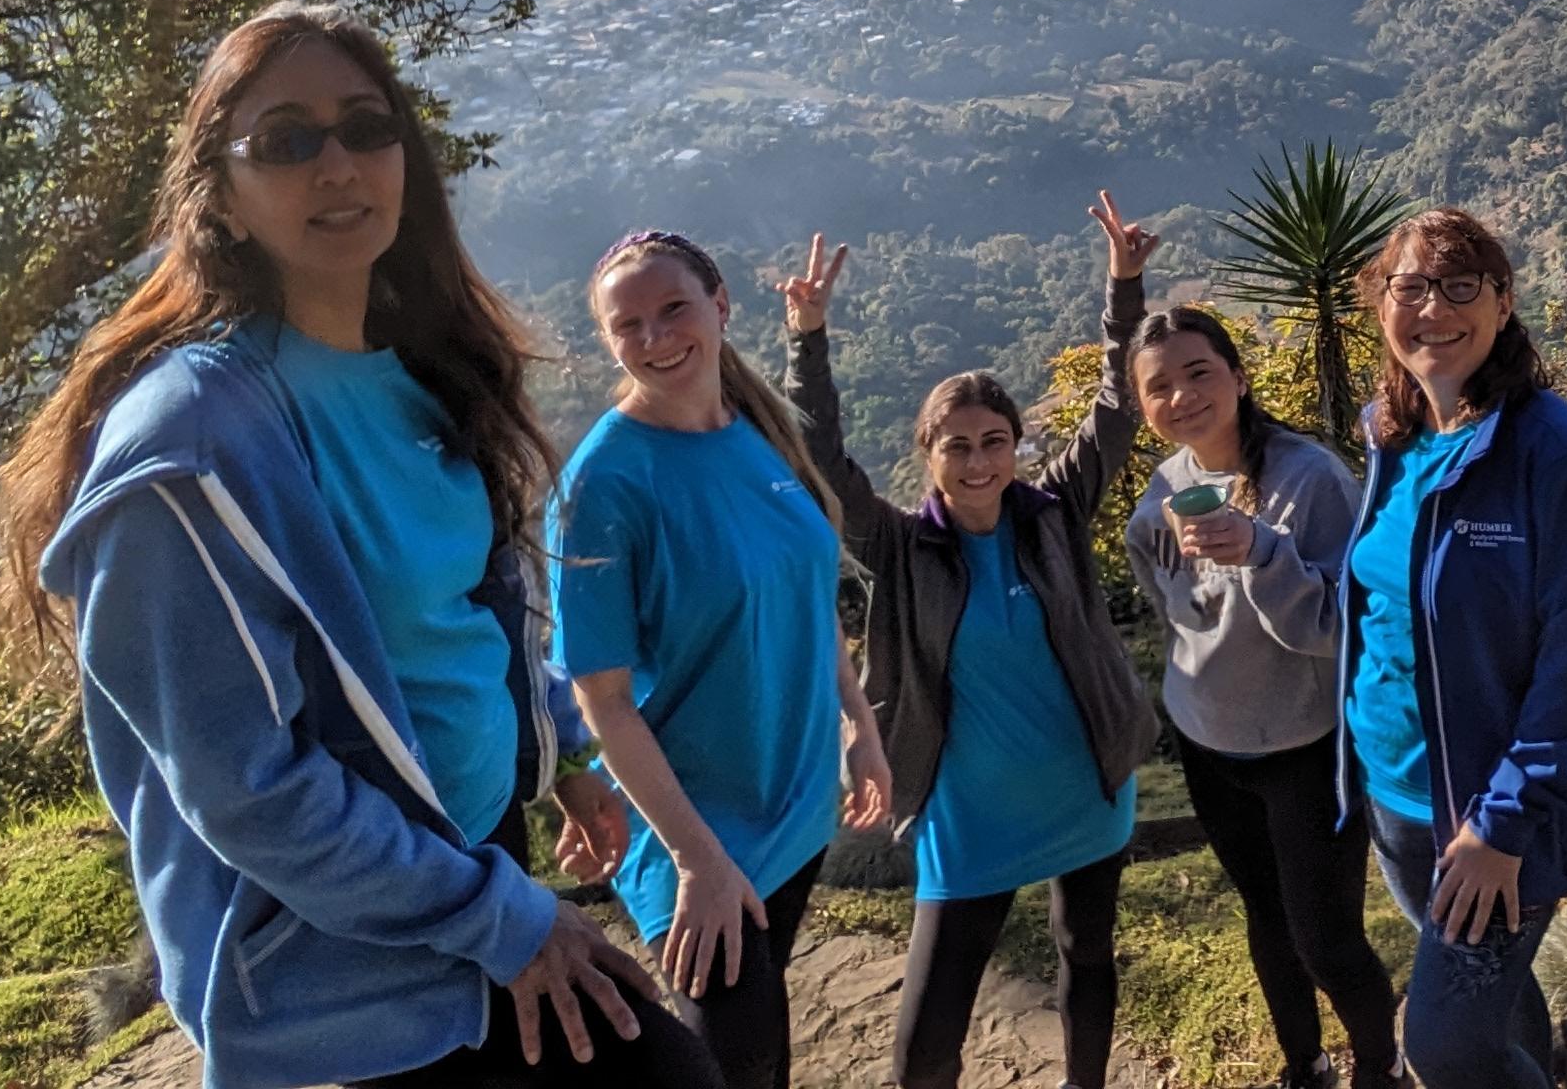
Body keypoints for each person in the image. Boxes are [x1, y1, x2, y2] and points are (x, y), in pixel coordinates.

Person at [0, 0, 719, 1089]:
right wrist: (500, 921)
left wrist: (558, 748)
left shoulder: (424, 369)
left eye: (365, 126)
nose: (337, 162)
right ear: (220, 198)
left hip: (468, 873)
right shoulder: (188, 450)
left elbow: (470, 611)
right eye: (286, 140)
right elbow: (245, 787)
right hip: (340, 963)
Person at [783, 196, 1159, 1089]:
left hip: (1086, 787)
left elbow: (1115, 406)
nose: (980, 461)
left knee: (1089, 957)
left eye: (995, 442)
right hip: (969, 817)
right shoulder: (899, 546)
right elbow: (821, 460)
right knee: (928, 1041)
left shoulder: (1056, 513)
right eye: (958, 447)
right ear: (929, 457)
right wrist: (808, 340)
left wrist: (1125, 287)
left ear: (1019, 447)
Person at [552, 229, 895, 1089]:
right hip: (696, 839)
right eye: (628, 325)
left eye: (674, 309)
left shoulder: (762, 433)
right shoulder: (604, 484)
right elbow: (602, 700)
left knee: (766, 1061)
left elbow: (807, 599)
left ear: (721, 307)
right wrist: (697, 860)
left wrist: (858, 725)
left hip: (795, 806)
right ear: (607, 341)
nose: (656, 338)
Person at [1338, 209, 1567, 1089]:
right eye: (1409, 287)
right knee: (1495, 1022)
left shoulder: (1552, 453)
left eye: (1459, 287)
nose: (1433, 310)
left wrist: (1503, 822)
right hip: (1399, 791)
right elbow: (1382, 597)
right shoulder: (1392, 433)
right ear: (1381, 304)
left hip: (1489, 812)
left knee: (1442, 1049)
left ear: (1503, 301)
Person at [1122, 306, 1404, 1089]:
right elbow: (1168, 595)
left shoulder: (1308, 478)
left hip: (1303, 747)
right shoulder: (1167, 486)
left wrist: (1260, 552)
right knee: (1266, 919)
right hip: (1210, 744)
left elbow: (1345, 625)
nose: (1181, 396)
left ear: (1239, 376)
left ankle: (1381, 1068)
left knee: (1327, 940)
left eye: (1198, 372)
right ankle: (1302, 1066)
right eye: (1159, 386)